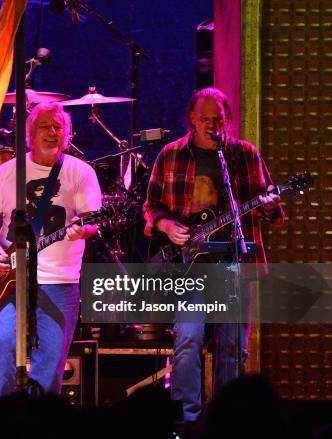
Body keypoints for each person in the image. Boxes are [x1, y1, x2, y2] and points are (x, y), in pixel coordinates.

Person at [143, 87, 284, 422]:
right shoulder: (171, 155)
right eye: (204, 118)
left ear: (227, 120)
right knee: (188, 339)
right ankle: (187, 418)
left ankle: (227, 420)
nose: (211, 125)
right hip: (190, 267)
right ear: (191, 118)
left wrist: (271, 205)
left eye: (217, 119)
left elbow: (271, 211)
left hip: (233, 264)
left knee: (233, 347)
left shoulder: (244, 154)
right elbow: (151, 207)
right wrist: (165, 226)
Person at [0, 102, 102, 396]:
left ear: (68, 134)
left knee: (52, 359)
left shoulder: (80, 173)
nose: (52, 132)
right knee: (3, 345)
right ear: (30, 135)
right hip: (10, 280)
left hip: (60, 280)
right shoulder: (8, 172)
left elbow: (92, 222)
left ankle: (39, 423)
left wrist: (83, 231)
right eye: (44, 126)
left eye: (59, 127)